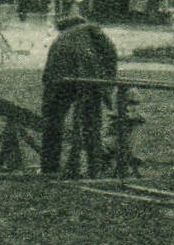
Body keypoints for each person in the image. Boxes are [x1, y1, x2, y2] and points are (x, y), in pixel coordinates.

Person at [40, 13, 119, 176]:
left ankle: (49, 167)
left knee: (52, 123)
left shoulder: (61, 39)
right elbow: (111, 53)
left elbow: (48, 71)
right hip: (87, 80)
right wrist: (108, 82)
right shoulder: (92, 31)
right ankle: (94, 166)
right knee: (91, 124)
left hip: (61, 82)